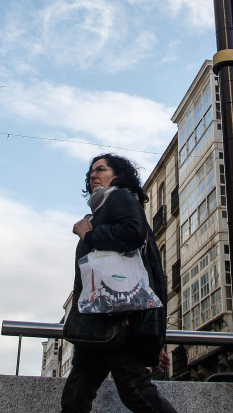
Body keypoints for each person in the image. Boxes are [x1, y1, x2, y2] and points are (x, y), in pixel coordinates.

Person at [60, 154, 178, 413]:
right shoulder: (102, 208)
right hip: (100, 320)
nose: (93, 175)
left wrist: (89, 234)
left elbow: (133, 234)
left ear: (118, 175)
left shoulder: (120, 197)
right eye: (91, 172)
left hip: (118, 321)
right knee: (76, 396)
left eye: (101, 169)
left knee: (136, 393)